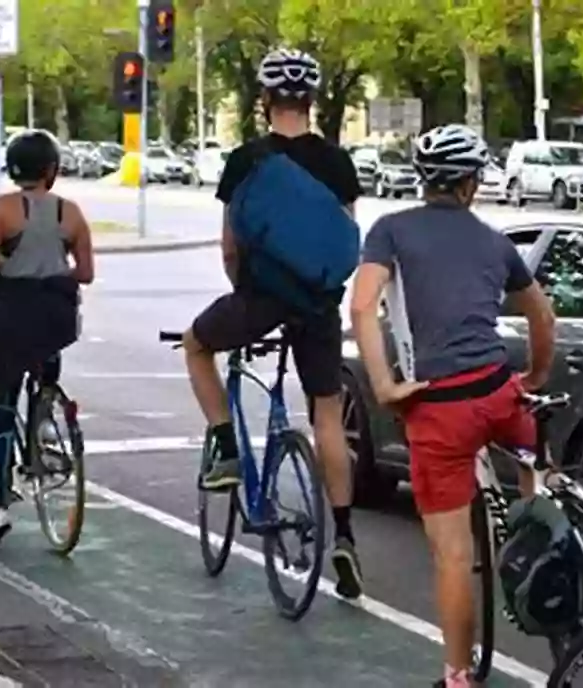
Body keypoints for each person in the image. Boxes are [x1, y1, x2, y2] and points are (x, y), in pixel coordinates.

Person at [349, 124, 555, 688]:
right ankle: (540, 527)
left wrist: (386, 385)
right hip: (497, 392)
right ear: (471, 183)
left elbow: (363, 307)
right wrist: (534, 375)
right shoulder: (494, 240)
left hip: (439, 409)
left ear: (424, 180)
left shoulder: (390, 231)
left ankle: (459, 675)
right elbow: (542, 315)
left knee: (452, 555)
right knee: (532, 458)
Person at [178, 47, 366, 600]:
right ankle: (345, 536)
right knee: (327, 417)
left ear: (265, 101)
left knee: (195, 344)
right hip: (318, 306)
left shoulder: (246, 161)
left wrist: (245, 296)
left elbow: (231, 244)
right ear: (311, 101)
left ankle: (226, 448)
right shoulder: (337, 163)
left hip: (260, 301)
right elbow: (346, 241)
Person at [0, 129, 94, 550]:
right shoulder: (71, 213)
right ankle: (43, 426)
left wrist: (12, 258)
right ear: (52, 170)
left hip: (9, 317)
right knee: (44, 369)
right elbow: (85, 274)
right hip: (54, 320)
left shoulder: (4, 210)